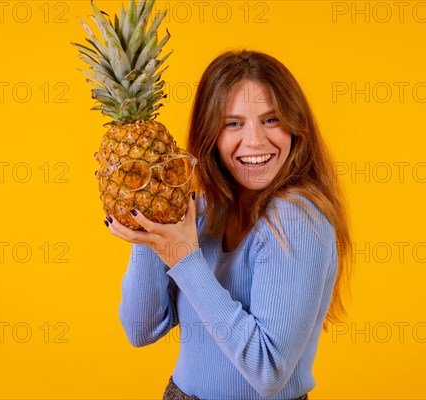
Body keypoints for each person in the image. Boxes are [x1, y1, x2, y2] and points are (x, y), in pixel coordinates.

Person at [106, 50, 352, 399]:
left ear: (297, 127)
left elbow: (269, 371)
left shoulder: (297, 218)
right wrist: (147, 217)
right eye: (233, 123)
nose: (254, 141)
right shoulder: (203, 211)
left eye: (271, 120)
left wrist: (183, 256)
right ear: (211, 134)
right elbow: (140, 330)